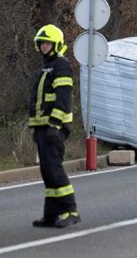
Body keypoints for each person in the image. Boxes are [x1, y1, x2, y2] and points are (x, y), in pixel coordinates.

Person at [29, 24, 81, 228]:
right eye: (41, 43)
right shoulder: (46, 67)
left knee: (54, 169)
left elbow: (63, 99)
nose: (44, 46)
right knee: (47, 171)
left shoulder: (61, 65)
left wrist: (54, 125)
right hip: (43, 128)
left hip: (54, 128)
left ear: (56, 44)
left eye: (47, 42)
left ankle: (71, 211)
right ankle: (50, 214)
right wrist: (37, 127)